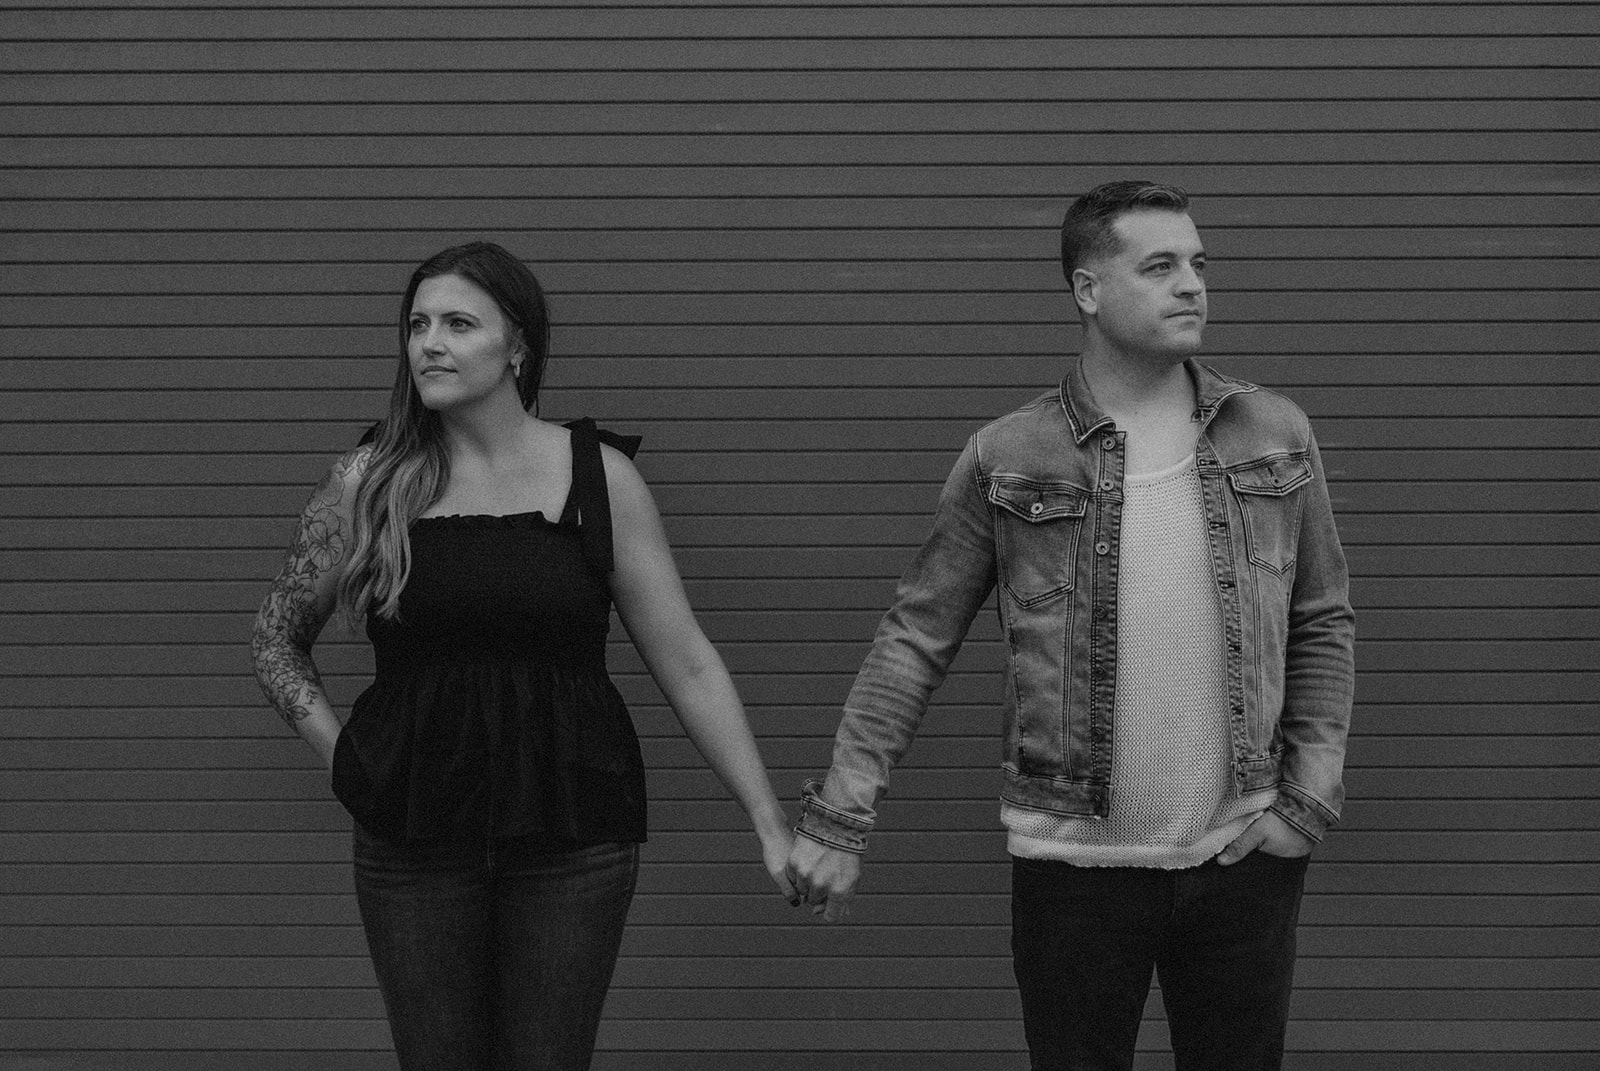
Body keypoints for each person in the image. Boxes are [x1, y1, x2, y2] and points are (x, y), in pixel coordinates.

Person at [785, 181, 1355, 1070]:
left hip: (1243, 859)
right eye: (1159, 266)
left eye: (1199, 264)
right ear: (1088, 289)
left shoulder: (1272, 432)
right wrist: (838, 817)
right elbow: (914, 639)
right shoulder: (1009, 454)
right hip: (1073, 874)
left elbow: (1322, 618)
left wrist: (1306, 800)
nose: (1192, 286)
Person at [250, 241, 798, 1070]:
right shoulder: (371, 479)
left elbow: (686, 661)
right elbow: (275, 636)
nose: (429, 342)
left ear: (517, 347)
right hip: (414, 836)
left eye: (458, 323)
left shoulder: (598, 476)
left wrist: (766, 818)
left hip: (573, 833)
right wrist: (348, 760)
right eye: (418, 323)